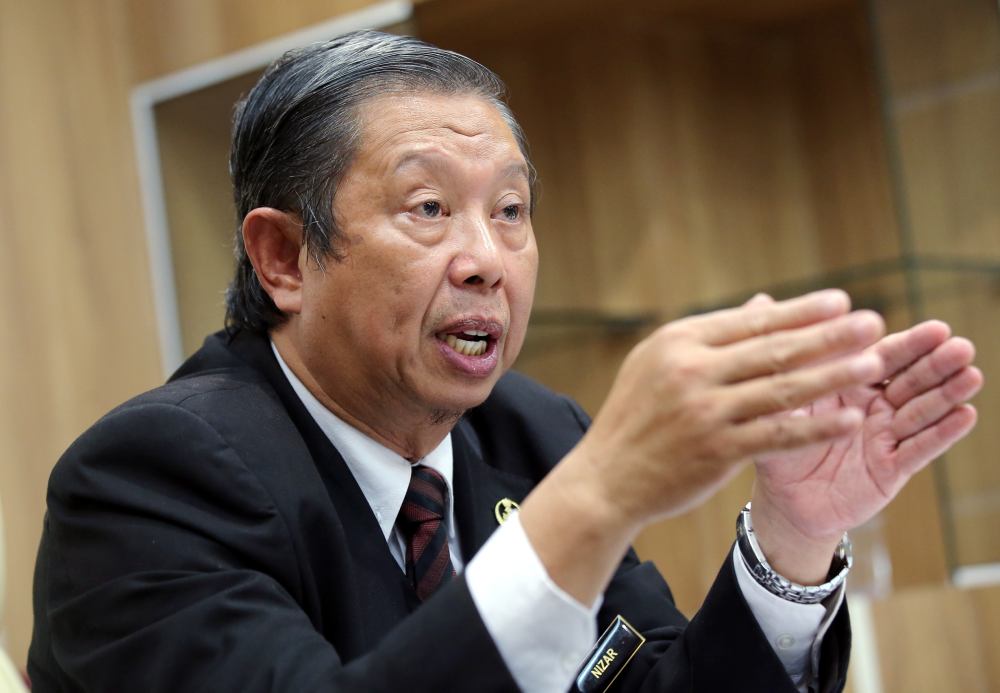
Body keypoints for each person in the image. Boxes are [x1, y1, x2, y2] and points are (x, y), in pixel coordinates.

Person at [29, 31, 982, 693]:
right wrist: (597, 496)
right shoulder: (152, 478)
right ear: (283, 257)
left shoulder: (532, 431)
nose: (487, 258)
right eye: (429, 208)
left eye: (512, 210)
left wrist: (794, 535)